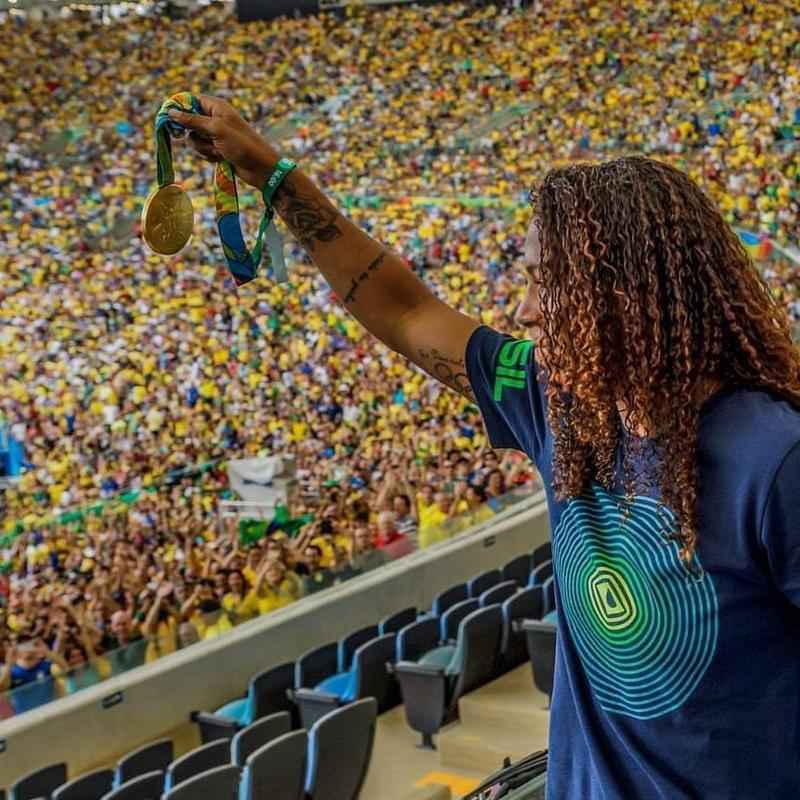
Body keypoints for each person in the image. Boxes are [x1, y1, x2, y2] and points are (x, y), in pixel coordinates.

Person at [177, 101, 800, 798]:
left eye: (546, 281)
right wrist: (270, 172)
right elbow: (407, 311)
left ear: (624, 294)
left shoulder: (776, 461)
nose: (527, 309)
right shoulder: (556, 401)